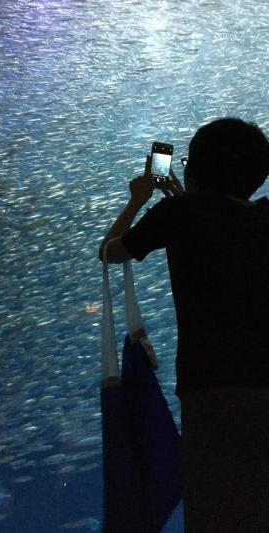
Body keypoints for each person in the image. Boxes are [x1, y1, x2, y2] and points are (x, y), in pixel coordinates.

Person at [99, 117, 269, 532]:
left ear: (195, 170)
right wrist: (184, 199)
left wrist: (139, 200)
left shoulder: (179, 213)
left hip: (212, 387)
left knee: (217, 504)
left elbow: (110, 252)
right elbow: (225, 222)